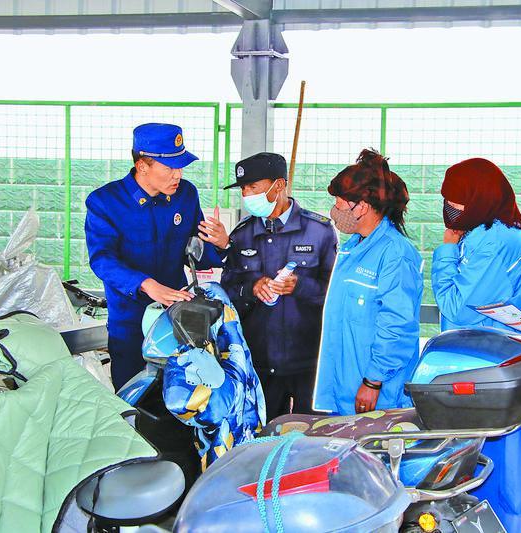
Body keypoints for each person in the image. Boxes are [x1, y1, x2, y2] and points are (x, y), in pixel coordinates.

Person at [85, 123, 224, 390]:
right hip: (130, 323)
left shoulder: (186, 195)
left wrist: (220, 244)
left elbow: (197, 252)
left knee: (182, 399)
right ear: (142, 166)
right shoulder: (105, 202)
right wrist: (146, 285)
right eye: (170, 168)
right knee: (132, 399)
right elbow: (102, 259)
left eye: (181, 167)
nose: (178, 175)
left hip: (178, 320)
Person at [207, 152, 338, 422]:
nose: (246, 194)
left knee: (312, 436)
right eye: (243, 188)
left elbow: (336, 295)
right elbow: (228, 291)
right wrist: (252, 288)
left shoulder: (320, 231)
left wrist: (300, 285)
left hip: (310, 363)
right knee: (263, 437)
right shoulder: (242, 235)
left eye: (252, 187)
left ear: (278, 185)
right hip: (261, 364)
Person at [313, 149, 423, 416]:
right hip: (345, 390)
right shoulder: (353, 248)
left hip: (377, 395)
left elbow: (397, 324)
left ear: (361, 206)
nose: (334, 210)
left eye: (339, 202)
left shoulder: (395, 253)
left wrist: (373, 380)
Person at [432, 157, 521, 331]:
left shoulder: (494, 242)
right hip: (482, 341)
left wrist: (448, 249)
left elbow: (456, 308)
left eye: (457, 200)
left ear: (480, 198)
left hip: (490, 343)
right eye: (447, 200)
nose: (450, 206)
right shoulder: (480, 229)